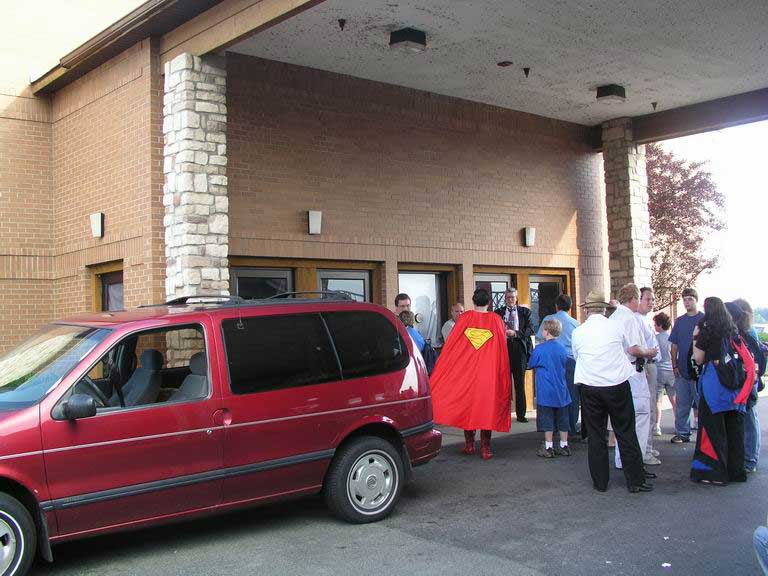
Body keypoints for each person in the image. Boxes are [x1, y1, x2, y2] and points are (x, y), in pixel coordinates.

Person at [572, 289, 651, 493]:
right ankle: (635, 480)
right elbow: (628, 348)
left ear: (587, 310)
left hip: (590, 386)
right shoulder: (615, 327)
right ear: (604, 310)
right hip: (616, 384)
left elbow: (576, 355)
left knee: (596, 435)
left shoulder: (578, 332)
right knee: (625, 431)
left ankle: (600, 482)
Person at [430, 288, 512, 460]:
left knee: (468, 406)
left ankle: (469, 445)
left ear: (473, 301)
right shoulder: (496, 320)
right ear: (489, 302)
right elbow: (502, 348)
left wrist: (445, 369)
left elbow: (452, 345)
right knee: (486, 407)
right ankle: (485, 448)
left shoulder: (465, 318)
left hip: (467, 372)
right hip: (488, 374)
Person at [689, 297, 754, 485]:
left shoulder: (707, 331)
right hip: (735, 389)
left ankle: (715, 473)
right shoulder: (733, 331)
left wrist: (695, 337)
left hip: (714, 387)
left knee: (713, 431)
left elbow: (699, 358)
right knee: (734, 431)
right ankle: (736, 472)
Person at [610, 284, 658, 471]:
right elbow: (633, 348)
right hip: (633, 371)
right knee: (640, 417)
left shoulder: (614, 317)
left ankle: (622, 459)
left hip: (618, 374)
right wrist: (649, 352)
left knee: (623, 419)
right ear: (633, 299)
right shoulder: (629, 318)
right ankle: (635, 462)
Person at [536, 294, 580, 436]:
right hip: (569, 360)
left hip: (550, 361)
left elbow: (539, 339)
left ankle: (550, 427)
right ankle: (570, 427)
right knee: (570, 395)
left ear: (556, 306)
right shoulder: (575, 323)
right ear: (570, 307)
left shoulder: (548, 320)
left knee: (550, 394)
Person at [731, 299, 765, 473]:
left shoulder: (747, 333)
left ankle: (750, 458)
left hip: (748, 381)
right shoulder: (743, 331)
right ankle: (748, 457)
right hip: (747, 380)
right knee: (747, 419)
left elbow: (756, 359)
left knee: (750, 420)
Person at [529, 319, 571, 458]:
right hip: (562, 390)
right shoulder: (562, 348)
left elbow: (530, 364)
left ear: (546, 332)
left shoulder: (540, 349)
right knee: (563, 419)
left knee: (547, 420)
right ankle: (564, 445)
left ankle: (548, 446)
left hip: (546, 391)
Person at [669, 288, 704, 444]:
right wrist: (674, 364)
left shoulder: (704, 319)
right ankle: (682, 433)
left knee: (702, 405)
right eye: (684, 300)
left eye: (690, 299)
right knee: (682, 404)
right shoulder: (680, 321)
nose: (687, 302)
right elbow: (674, 345)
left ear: (696, 300)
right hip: (682, 370)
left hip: (700, 371)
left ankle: (705, 437)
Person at [495, 288, 534, 422]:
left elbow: (530, 330)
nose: (510, 300)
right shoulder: (498, 313)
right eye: (507, 298)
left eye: (512, 297)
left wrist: (515, 333)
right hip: (504, 350)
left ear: (516, 298)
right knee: (503, 384)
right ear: (504, 299)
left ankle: (521, 414)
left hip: (519, 349)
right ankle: (502, 414)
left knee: (519, 383)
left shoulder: (525, 312)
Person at [638, 287, 661, 464]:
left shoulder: (645, 320)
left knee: (652, 407)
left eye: (652, 299)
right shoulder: (636, 321)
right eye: (648, 299)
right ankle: (645, 451)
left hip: (653, 365)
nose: (651, 302)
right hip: (646, 365)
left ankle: (649, 446)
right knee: (647, 410)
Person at [653, 312, 677, 435]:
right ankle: (680, 425)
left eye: (655, 324)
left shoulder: (656, 339)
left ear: (659, 325)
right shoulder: (672, 338)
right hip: (671, 371)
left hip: (659, 371)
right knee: (674, 399)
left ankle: (657, 426)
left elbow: (656, 355)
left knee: (658, 400)